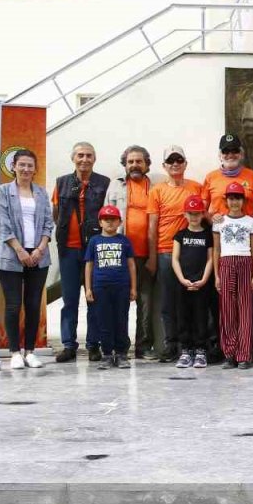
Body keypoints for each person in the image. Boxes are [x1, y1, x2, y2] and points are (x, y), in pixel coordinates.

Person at [51, 142, 110, 363]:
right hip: (68, 250)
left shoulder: (104, 183)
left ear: (95, 159)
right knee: (69, 300)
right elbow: (56, 213)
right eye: (80, 155)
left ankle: (94, 345)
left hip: (93, 250)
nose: (84, 159)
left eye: (88, 155)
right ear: (73, 158)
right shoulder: (61, 182)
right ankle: (69, 346)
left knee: (94, 298)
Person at [146, 145, 203, 363]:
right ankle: (172, 344)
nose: (175, 164)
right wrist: (152, 257)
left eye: (179, 160)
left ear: (185, 163)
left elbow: (205, 217)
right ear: (164, 166)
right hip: (166, 252)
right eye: (171, 161)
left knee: (194, 301)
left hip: (193, 251)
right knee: (169, 301)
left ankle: (196, 345)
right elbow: (152, 226)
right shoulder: (157, 191)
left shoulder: (196, 188)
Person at [0, 149, 53, 370]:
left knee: (33, 305)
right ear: (14, 166)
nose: (26, 169)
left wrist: (40, 249)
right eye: (22, 165)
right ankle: (14, 353)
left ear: (35, 169)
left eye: (30, 165)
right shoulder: (3, 191)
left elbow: (48, 223)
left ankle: (30, 351)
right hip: (12, 254)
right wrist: (20, 250)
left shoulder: (41, 193)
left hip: (39, 255)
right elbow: (3, 224)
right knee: (13, 305)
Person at [106, 144, 161, 359]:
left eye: (139, 161)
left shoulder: (156, 187)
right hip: (121, 255)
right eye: (130, 161)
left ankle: (143, 347)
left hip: (147, 255)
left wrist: (153, 256)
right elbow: (106, 218)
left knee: (145, 303)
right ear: (125, 164)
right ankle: (119, 347)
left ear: (147, 164)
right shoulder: (115, 186)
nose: (134, 165)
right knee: (119, 302)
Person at [213, 182, 253, 369]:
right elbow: (216, 249)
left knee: (245, 310)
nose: (234, 202)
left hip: (245, 263)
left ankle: (244, 354)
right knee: (227, 310)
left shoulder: (250, 221)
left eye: (238, 198)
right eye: (231, 198)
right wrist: (217, 275)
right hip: (225, 263)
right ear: (226, 200)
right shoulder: (219, 221)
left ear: (244, 201)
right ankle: (229, 354)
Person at [84, 206, 136, 370]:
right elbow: (89, 265)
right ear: (100, 222)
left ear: (120, 222)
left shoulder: (124, 241)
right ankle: (106, 354)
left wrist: (133, 288)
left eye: (113, 219)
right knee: (103, 320)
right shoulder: (94, 241)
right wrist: (88, 288)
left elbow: (131, 265)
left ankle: (121, 353)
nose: (110, 222)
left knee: (121, 320)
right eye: (106, 219)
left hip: (121, 287)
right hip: (100, 287)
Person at [170, 195, 214, 370]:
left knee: (201, 317)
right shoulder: (180, 235)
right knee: (183, 316)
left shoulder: (208, 235)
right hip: (183, 283)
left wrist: (203, 279)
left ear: (203, 214)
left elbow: (211, 259)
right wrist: (182, 279)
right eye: (191, 213)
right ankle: (186, 351)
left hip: (202, 284)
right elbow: (175, 259)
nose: (194, 217)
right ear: (185, 215)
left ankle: (201, 350)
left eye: (197, 213)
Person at [202, 134, 253, 222]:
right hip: (219, 229)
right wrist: (211, 220)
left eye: (235, 151)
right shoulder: (210, 177)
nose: (230, 155)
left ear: (241, 154)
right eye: (226, 151)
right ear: (220, 155)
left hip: (246, 229)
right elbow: (202, 209)